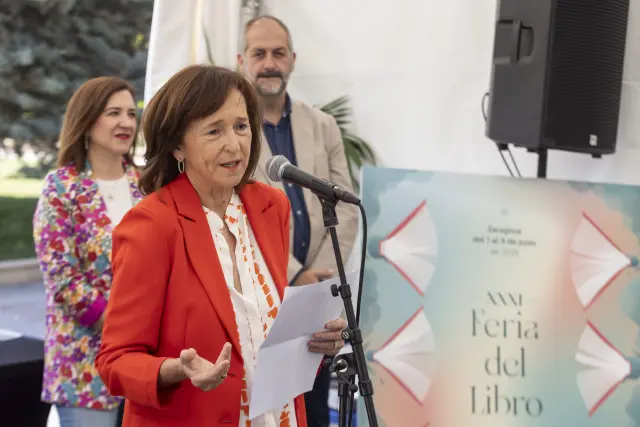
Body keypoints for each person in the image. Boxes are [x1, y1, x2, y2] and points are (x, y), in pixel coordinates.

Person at [94, 64, 347, 427]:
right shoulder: (151, 225)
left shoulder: (270, 206)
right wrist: (173, 369)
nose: (235, 144)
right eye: (214, 130)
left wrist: (317, 340)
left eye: (241, 126)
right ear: (178, 144)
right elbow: (115, 361)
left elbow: (265, 327)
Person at [238, 16, 359, 427]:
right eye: (259, 54)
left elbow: (342, 204)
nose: (269, 63)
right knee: (265, 410)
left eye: (278, 53)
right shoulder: (233, 130)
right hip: (256, 296)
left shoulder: (322, 125)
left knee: (314, 408)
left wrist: (317, 277)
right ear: (242, 61)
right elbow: (234, 213)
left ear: (292, 60)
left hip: (314, 300)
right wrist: (293, 273)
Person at [32, 76, 142, 427]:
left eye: (130, 113)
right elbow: (62, 277)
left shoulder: (147, 184)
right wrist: (124, 326)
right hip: (84, 365)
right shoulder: (61, 188)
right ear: (88, 118)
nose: (126, 122)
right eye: (114, 113)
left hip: (148, 361)